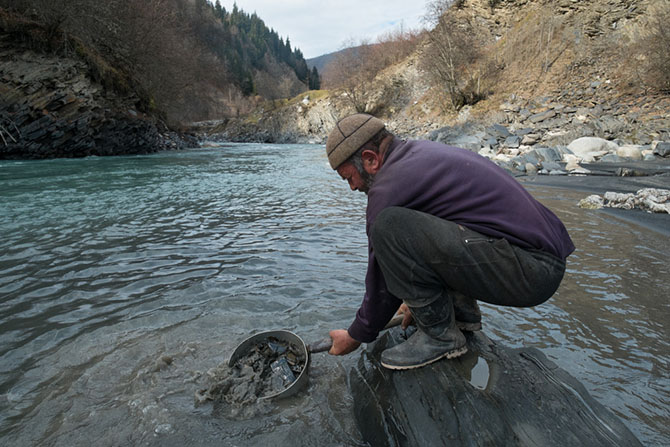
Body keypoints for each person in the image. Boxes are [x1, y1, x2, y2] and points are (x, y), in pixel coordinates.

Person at [325, 113, 575, 370]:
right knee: (411, 223)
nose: (353, 187)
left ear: (370, 159)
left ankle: (440, 336)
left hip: (533, 269)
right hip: (541, 257)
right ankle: (460, 314)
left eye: (349, 178)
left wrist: (355, 335)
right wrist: (420, 302)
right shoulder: (418, 155)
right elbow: (436, 237)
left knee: (387, 226)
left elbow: (381, 284)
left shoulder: (388, 188)